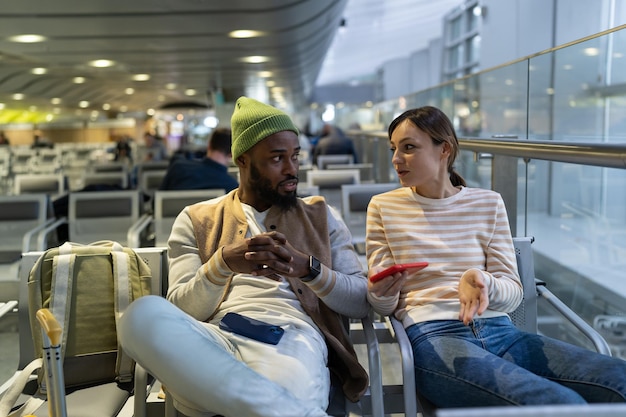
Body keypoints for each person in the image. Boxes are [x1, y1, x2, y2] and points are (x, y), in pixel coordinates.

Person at [119, 96, 369, 417]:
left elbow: (361, 300)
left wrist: (308, 269)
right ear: (243, 161)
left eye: (295, 156)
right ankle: (280, 408)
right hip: (215, 339)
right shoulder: (197, 219)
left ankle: (239, 399)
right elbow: (181, 307)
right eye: (277, 159)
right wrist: (222, 264)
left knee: (271, 388)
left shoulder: (322, 216)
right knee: (140, 316)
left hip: (290, 342)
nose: (292, 169)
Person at [365, 105, 626, 409]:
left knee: (618, 380)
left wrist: (483, 282)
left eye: (408, 148)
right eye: (394, 148)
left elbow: (513, 294)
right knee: (559, 402)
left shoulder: (488, 203)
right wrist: (381, 291)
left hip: (502, 332)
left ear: (444, 150)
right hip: (435, 336)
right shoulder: (383, 207)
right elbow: (382, 304)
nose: (396, 159)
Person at [159, 127, 238, 192]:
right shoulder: (231, 186)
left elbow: (156, 203)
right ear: (231, 154)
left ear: (209, 145)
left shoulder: (178, 167)